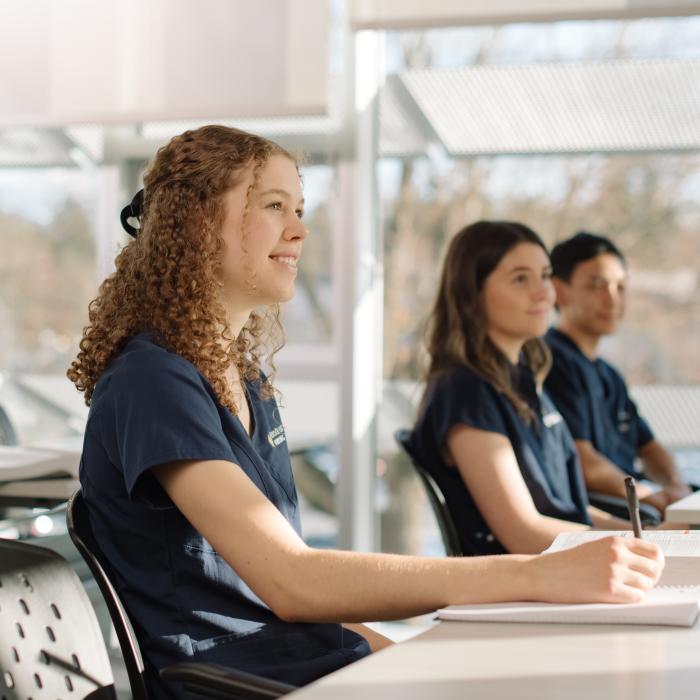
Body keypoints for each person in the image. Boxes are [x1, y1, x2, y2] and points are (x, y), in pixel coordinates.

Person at [67, 128, 663, 699]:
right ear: (196, 223)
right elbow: (293, 581)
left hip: (310, 663)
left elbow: (303, 609)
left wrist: (404, 656)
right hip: (244, 682)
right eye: (275, 205)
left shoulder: (246, 380)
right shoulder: (152, 381)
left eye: (300, 209)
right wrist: (536, 576)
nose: (299, 231)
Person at [410, 220, 659, 557]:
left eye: (544, 276)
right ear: (473, 291)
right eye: (520, 278)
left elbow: (570, 510)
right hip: (524, 588)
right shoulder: (465, 391)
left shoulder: (525, 379)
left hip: (564, 571)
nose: (544, 292)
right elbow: (524, 534)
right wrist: (638, 545)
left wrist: (651, 536)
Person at [545, 232, 690, 515]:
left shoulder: (608, 373)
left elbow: (648, 447)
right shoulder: (553, 361)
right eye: (597, 286)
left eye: (620, 287)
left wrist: (677, 486)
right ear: (559, 291)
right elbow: (583, 463)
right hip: (608, 512)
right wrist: (652, 497)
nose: (612, 299)